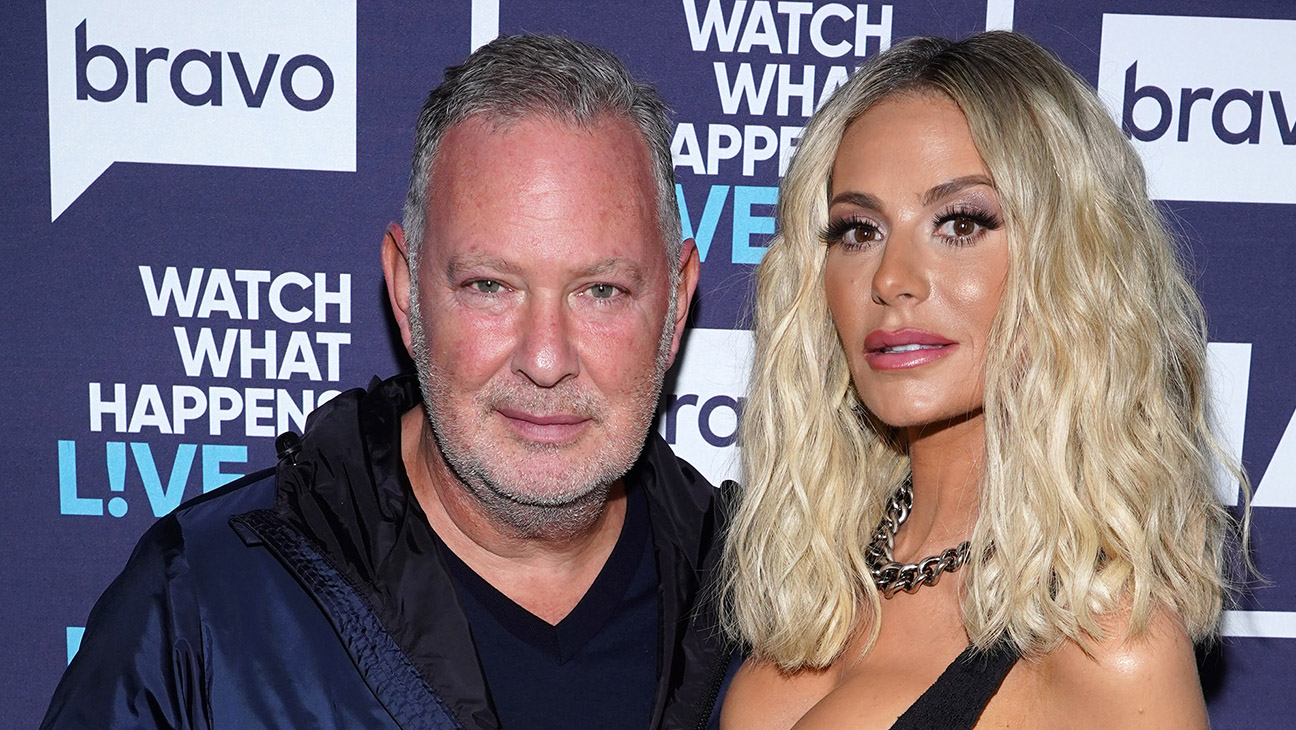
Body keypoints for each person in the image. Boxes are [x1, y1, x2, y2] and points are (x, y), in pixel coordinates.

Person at [43, 34, 735, 730]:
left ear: (676, 302)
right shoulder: (200, 606)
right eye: (489, 286)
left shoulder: (770, 611)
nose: (546, 358)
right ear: (407, 292)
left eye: (602, 291)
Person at [719, 31, 1246, 730]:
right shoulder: (814, 595)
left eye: (961, 223)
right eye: (859, 231)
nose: (891, 279)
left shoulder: (1108, 647)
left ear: (1069, 262)